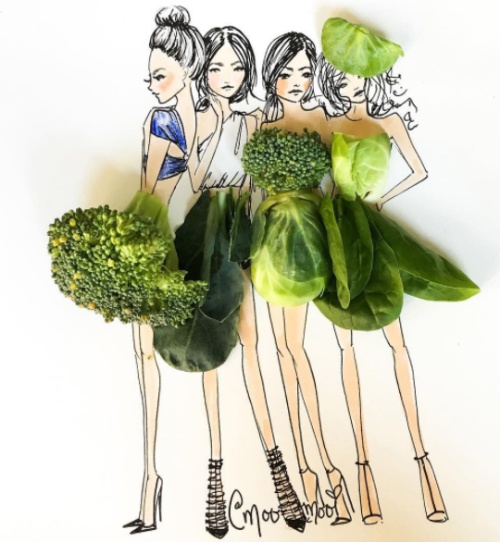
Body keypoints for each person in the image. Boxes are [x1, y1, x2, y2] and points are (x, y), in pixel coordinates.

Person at [316, 51, 448, 524]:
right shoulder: (329, 123)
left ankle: (423, 461)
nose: (350, 86)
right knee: (345, 347)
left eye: (357, 78)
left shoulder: (388, 120)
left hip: (371, 226)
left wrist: (381, 201)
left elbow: (419, 170)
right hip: (338, 228)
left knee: (397, 343)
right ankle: (363, 469)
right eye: (342, 79)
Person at [187, 25, 306, 538]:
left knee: (252, 345)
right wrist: (214, 125)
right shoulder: (197, 118)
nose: (227, 76)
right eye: (216, 67)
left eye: (236, 67)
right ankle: (215, 474)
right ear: (203, 71)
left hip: (243, 229)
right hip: (203, 230)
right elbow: (195, 178)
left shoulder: (255, 118)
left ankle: (277, 468)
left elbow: (258, 176)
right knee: (208, 351)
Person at [260, 31, 353, 524]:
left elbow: (339, 184)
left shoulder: (322, 120)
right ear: (271, 76)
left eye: (304, 71)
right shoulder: (260, 123)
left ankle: (325, 464)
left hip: (307, 247)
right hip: (270, 246)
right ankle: (304, 464)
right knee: (282, 351)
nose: (296, 81)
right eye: (286, 72)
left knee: (294, 350)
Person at [123, 6, 205, 534]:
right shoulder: (204, 119)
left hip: (151, 241)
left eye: (159, 74)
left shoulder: (162, 120)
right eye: (151, 75)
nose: (152, 84)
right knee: (148, 356)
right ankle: (150, 481)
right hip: (174, 240)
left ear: (185, 68)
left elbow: (148, 190)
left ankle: (151, 477)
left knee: (145, 357)